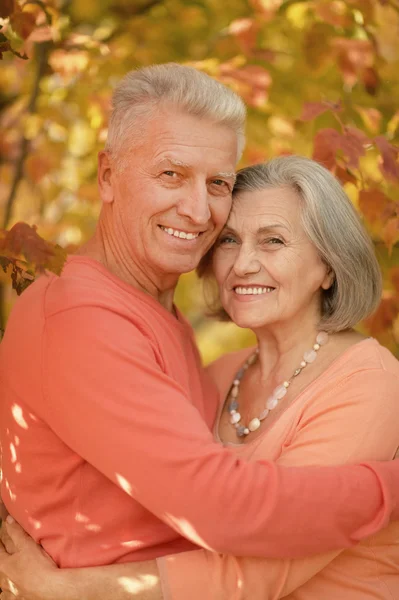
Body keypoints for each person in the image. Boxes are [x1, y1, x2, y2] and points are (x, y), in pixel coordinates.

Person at [0, 66, 399, 597]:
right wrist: (389, 489)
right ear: (107, 176)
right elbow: (221, 507)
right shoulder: (81, 319)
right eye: (171, 174)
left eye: (217, 184)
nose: (196, 209)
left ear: (329, 265)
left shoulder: (164, 324)